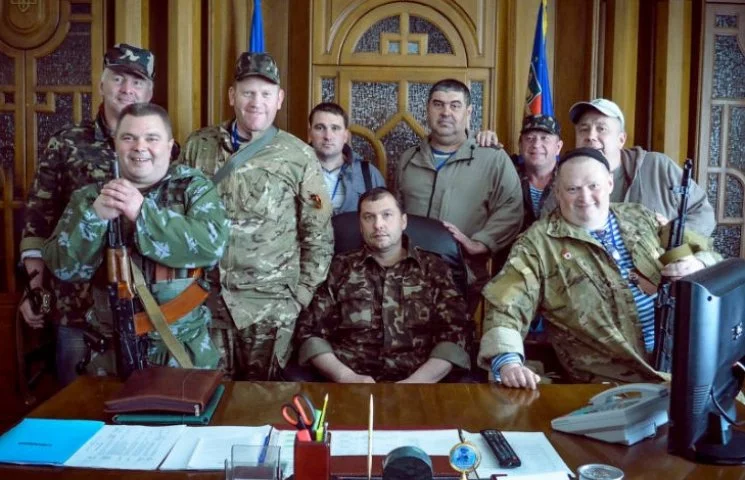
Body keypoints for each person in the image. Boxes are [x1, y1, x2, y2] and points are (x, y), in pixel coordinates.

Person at [478, 148, 720, 390]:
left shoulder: (640, 217)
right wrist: (508, 362)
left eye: (593, 186)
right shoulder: (537, 244)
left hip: (685, 365)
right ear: (557, 192)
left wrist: (698, 263)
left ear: (609, 183)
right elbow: (505, 305)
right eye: (572, 189)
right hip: (610, 387)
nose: (585, 197)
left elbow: (699, 251)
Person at [179, 52, 333, 380]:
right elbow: (176, 217)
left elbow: (318, 234)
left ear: (279, 99)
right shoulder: (198, 146)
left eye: (265, 94)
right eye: (247, 92)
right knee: (208, 395)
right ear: (232, 96)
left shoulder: (298, 156)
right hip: (207, 301)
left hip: (271, 307)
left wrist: (299, 297)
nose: (256, 102)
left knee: (264, 399)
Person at [41, 103, 228, 373]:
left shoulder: (193, 188)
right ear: (115, 145)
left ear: (169, 146)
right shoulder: (91, 197)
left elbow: (212, 247)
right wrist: (95, 218)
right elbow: (64, 268)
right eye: (129, 138)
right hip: (112, 352)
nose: (140, 147)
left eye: (152, 138)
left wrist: (142, 213)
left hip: (183, 350)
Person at [20, 43, 156, 385]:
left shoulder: (161, 146)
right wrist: (34, 289)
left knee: (142, 401)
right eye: (118, 78)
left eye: (137, 81)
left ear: (149, 91)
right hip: (76, 306)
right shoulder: (67, 142)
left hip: (143, 305)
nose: (127, 88)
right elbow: (39, 217)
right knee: (76, 404)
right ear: (102, 83)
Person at [294, 187, 471, 383]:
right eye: (369, 217)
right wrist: (346, 377)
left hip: (420, 383)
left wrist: (416, 383)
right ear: (360, 226)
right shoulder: (339, 268)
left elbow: (456, 333)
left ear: (403, 221)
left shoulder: (433, 268)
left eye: (387, 215)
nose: (378, 225)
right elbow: (309, 333)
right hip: (348, 384)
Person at [396, 79, 523, 308]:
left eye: (455, 105)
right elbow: (395, 211)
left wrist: (482, 243)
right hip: (407, 276)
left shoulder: (491, 158)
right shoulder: (409, 158)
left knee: (454, 332)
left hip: (461, 276)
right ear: (428, 109)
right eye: (438, 104)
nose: (446, 112)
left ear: (468, 112)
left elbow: (511, 208)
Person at [566, 98, 715, 236]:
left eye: (601, 129)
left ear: (621, 139)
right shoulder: (565, 177)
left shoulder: (658, 167)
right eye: (584, 129)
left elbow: (703, 213)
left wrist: (671, 234)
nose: (590, 136)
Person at [308, 102, 386, 214]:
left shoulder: (368, 174)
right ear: (310, 133)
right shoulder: (293, 170)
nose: (328, 136)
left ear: (345, 136)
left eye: (335, 128)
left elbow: (383, 217)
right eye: (320, 128)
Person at [512, 115, 563, 231]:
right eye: (530, 138)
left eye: (544, 138)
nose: (536, 144)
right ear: (520, 145)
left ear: (558, 147)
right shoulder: (509, 175)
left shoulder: (569, 178)